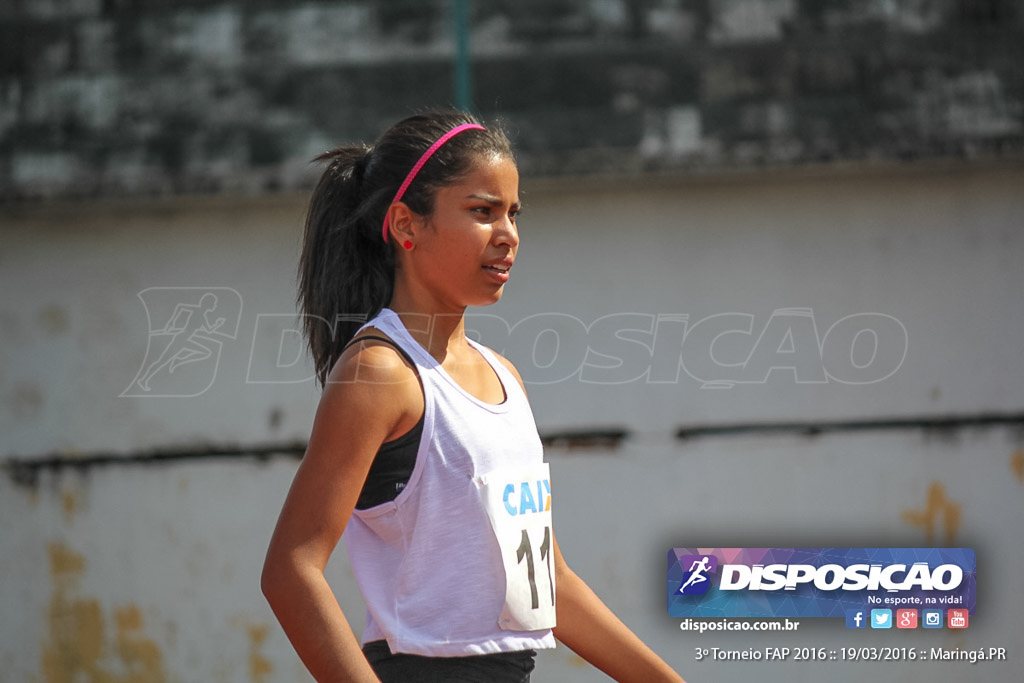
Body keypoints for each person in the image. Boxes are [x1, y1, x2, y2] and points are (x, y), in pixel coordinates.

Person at [261, 109, 685, 683]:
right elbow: (291, 568)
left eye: (513, 213)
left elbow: (548, 581)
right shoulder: (380, 373)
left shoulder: (504, 375)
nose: (507, 234)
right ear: (407, 226)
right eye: (482, 212)